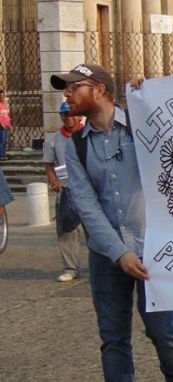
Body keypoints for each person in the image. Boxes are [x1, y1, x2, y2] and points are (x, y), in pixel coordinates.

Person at [50, 64, 173, 382]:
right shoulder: (75, 144)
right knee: (113, 341)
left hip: (152, 249)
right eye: (67, 88)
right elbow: (85, 205)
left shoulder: (139, 124)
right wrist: (119, 252)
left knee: (163, 332)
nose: (67, 94)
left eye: (74, 87)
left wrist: (153, 100)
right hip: (106, 255)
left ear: (98, 89)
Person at [43, 101, 85, 282]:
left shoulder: (88, 133)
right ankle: (70, 267)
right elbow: (49, 163)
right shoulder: (53, 140)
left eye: (72, 113)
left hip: (88, 188)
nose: (68, 118)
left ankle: (103, 268)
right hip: (66, 189)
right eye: (65, 115)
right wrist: (53, 180)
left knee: (96, 230)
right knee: (66, 230)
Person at [0, 89, 11, 160]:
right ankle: (1, 155)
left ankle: (3, 155)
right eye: (1, 95)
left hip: (7, 124)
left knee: (5, 141)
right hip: (1, 125)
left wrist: (9, 123)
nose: (3, 97)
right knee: (2, 141)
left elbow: (7, 113)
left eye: (4, 95)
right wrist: (1, 124)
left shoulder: (5, 104)